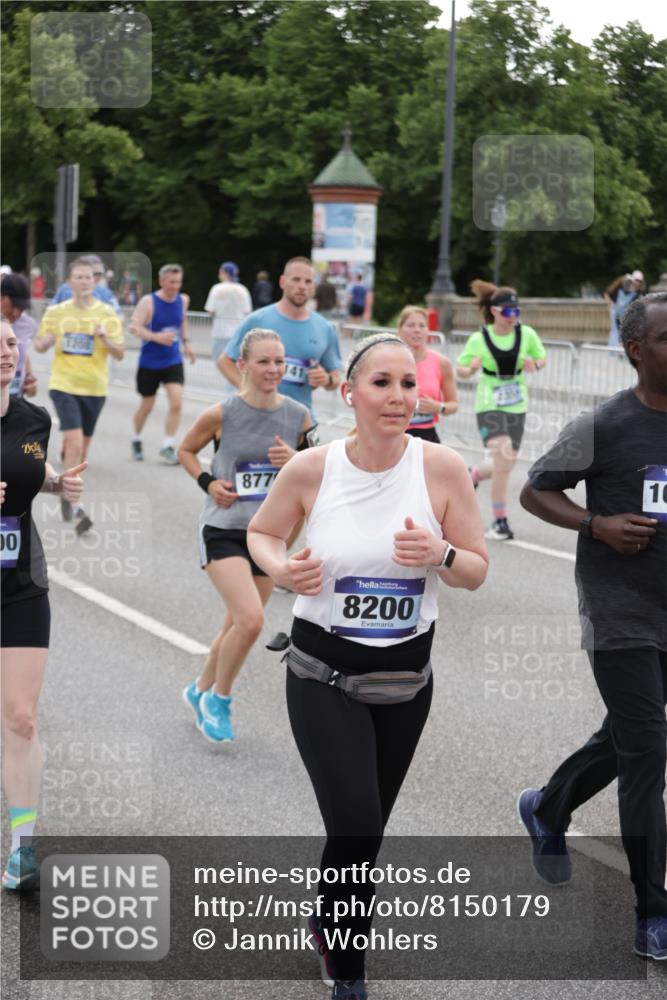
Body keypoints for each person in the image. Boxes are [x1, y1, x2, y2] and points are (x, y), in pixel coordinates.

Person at [247, 333, 488, 999]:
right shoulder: (311, 469)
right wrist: (282, 568)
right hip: (322, 675)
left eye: (408, 383)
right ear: (349, 394)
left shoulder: (441, 468)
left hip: (406, 681)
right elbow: (262, 533)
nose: (397, 396)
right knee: (354, 822)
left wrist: (439, 554)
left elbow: (474, 571)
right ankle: (346, 960)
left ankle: (327, 916)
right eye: (381, 383)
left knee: (368, 831)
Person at [517, 292, 667, 960]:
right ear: (636, 349)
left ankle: (549, 806)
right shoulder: (602, 425)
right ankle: (651, 910)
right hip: (620, 610)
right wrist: (593, 524)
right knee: (648, 754)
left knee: (630, 735)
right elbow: (535, 489)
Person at [178, 329, 312, 744]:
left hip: (270, 536)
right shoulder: (221, 413)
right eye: (264, 361)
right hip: (224, 529)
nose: (274, 369)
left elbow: (314, 473)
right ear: (243, 365)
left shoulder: (298, 415)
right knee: (251, 621)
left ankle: (198, 688)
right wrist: (207, 482)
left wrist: (296, 459)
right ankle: (219, 699)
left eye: (279, 361)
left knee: (236, 623)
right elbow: (186, 450)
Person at [1, 320, 86, 891]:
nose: (6, 353)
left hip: (20, 584)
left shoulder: (34, 418)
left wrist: (57, 486)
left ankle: (21, 846)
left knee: (21, 717)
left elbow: (30, 466)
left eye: (9, 342)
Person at [33, 257, 124, 532]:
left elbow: (120, 352)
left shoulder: (107, 313)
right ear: (69, 282)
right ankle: (73, 501)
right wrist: (46, 342)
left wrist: (105, 338)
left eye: (89, 277)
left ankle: (63, 489)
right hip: (64, 384)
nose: (85, 281)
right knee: (72, 443)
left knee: (82, 447)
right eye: (79, 277)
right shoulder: (56, 311)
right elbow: (38, 345)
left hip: (95, 387)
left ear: (95, 282)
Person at [457, 280, 546, 540]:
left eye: (517, 312)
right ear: (495, 311)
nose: (513, 317)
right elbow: (460, 370)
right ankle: (499, 521)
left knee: (504, 463)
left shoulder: (526, 334)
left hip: (517, 405)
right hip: (489, 405)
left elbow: (542, 356)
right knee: (502, 463)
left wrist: (535, 365)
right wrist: (471, 368)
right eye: (508, 312)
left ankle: (472, 474)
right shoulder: (479, 338)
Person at [218, 257, 343, 419]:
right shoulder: (257, 320)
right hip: (258, 418)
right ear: (282, 282)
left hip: (301, 423)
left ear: (313, 287)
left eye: (308, 281)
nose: (302, 286)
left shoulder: (325, 328)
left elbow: (335, 377)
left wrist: (327, 380)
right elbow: (225, 361)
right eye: (296, 280)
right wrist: (249, 391)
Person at [130, 263, 196, 464]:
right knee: (147, 405)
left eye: (178, 282)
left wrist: (187, 343)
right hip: (149, 362)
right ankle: (136, 439)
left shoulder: (182, 300)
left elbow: (182, 321)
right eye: (171, 282)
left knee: (176, 402)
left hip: (172, 360)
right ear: (161, 281)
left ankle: (167, 445)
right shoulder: (148, 302)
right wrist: (155, 337)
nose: (175, 286)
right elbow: (134, 327)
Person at [396, 305, 458, 442]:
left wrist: (439, 407)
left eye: (422, 326)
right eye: (411, 325)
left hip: (425, 433)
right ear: (399, 330)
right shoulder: (388, 359)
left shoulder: (442, 363)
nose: (417, 330)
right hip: (393, 431)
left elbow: (454, 404)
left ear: (428, 331)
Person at [204, 261, 252, 368]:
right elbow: (247, 311)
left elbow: (210, 310)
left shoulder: (216, 288)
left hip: (220, 331)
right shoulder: (243, 289)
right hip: (238, 332)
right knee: (235, 365)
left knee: (220, 363)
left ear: (223, 272)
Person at [1, 274, 38, 399]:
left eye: (22, 307)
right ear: (1, 297)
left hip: (15, 399)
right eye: (14, 305)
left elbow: (23, 351)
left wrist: (29, 376)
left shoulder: (28, 324)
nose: (16, 312)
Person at [51, 254, 120, 312]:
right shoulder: (64, 289)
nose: (99, 277)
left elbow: (119, 315)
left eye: (101, 274)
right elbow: (51, 310)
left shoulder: (106, 293)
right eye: (95, 274)